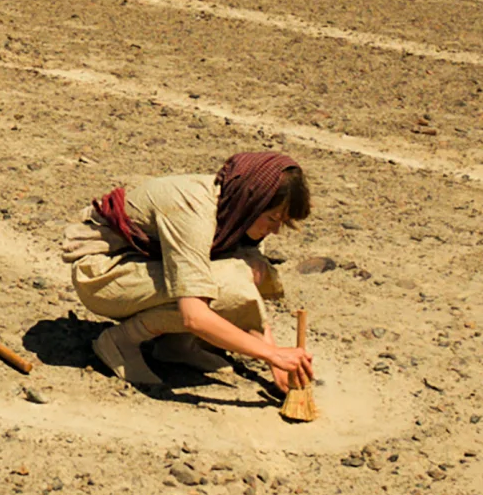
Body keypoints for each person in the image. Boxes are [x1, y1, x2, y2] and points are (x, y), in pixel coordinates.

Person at [61, 150, 315, 391]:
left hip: (141, 266)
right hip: (102, 275)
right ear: (252, 201)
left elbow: (249, 284)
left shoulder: (233, 207)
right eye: (272, 219)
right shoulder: (193, 211)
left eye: (282, 222)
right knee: (230, 284)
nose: (275, 231)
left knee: (256, 270)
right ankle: (120, 341)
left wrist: (275, 362)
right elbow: (194, 314)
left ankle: (176, 346)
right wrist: (271, 354)